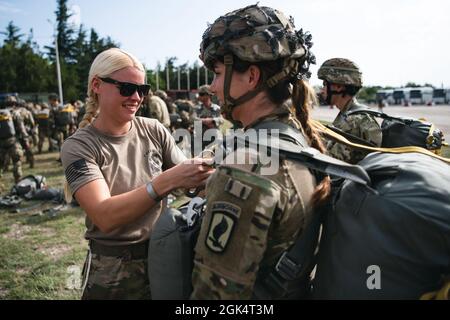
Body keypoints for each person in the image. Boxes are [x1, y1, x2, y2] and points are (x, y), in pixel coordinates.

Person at [190, 4, 330, 299]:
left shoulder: (248, 168)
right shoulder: (297, 138)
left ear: (252, 77)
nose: (213, 87)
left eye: (217, 73)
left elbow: (215, 297)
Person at [60, 48, 214, 300]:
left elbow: (194, 182)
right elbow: (105, 215)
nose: (136, 97)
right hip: (113, 270)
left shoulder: (153, 129)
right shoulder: (79, 146)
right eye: (126, 88)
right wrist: (164, 182)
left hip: (165, 257)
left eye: (142, 90)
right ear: (97, 85)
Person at [317, 58, 382, 164]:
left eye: (325, 84)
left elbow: (330, 161)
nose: (322, 90)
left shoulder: (355, 121)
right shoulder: (347, 115)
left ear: (338, 86)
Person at [0, 96, 26, 183]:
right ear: (15, 104)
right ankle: (18, 182)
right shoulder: (15, 113)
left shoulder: (1, 113)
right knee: (17, 162)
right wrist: (26, 140)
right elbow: (22, 129)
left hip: (1, 143)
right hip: (13, 141)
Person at [193, 85, 224, 150]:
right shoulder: (197, 109)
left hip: (215, 139)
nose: (199, 96)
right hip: (200, 140)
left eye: (201, 94)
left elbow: (221, 120)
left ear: (208, 95)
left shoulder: (216, 108)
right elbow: (193, 119)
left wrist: (211, 120)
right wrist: (205, 121)